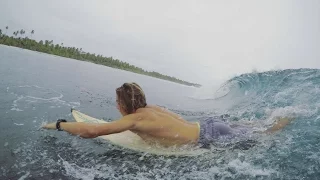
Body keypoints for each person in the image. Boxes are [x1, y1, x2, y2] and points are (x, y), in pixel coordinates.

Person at [43, 82, 293, 148]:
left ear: (122, 104)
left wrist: (59, 124)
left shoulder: (134, 119)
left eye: (117, 102)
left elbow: (92, 131)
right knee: (261, 126)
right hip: (211, 124)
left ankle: (289, 119)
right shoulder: (153, 109)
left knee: (268, 134)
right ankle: (282, 115)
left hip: (211, 139)